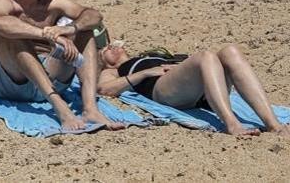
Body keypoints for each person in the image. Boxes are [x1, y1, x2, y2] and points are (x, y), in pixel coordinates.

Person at [0, 0, 121, 131]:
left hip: (50, 75)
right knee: (13, 38)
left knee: (85, 32)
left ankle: (90, 109)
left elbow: (94, 15)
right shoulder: (5, 2)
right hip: (11, 83)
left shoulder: (52, 3)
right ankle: (62, 110)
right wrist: (47, 34)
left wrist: (70, 29)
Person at [97, 41, 288, 136]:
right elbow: (105, 89)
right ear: (103, 61)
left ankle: (272, 124)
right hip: (162, 90)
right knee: (205, 56)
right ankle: (232, 124)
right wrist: (145, 74)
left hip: (192, 86)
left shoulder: (144, 56)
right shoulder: (114, 70)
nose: (110, 47)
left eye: (112, 44)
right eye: (104, 50)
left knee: (230, 51)